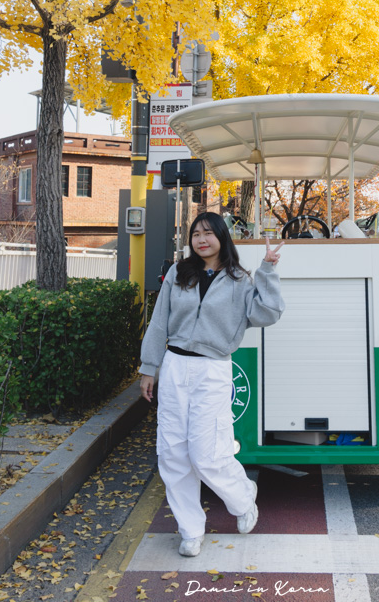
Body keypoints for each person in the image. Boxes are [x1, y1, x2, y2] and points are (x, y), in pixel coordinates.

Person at [139, 211, 285, 558]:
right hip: (175, 366)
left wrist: (267, 270)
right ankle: (190, 530)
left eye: (208, 233)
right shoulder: (178, 273)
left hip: (213, 369)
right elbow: (159, 321)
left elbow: (267, 313)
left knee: (206, 453)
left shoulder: (239, 279)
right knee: (173, 453)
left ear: (222, 236)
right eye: (196, 234)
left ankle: (243, 498)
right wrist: (149, 367)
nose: (201, 240)